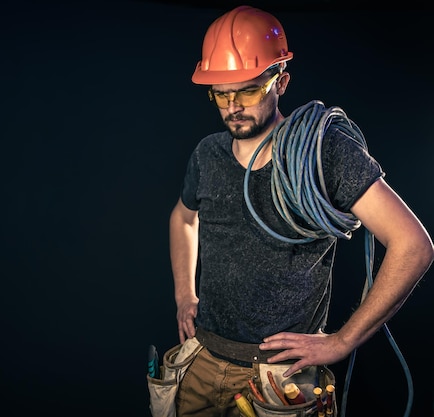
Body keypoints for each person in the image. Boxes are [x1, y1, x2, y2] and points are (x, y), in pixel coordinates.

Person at [168, 5, 434, 417]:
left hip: (278, 382)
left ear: (281, 82)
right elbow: (183, 218)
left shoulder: (325, 154)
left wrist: (343, 340)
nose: (233, 106)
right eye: (221, 94)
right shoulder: (208, 154)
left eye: (249, 90)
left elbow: (413, 245)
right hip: (203, 362)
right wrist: (185, 294)